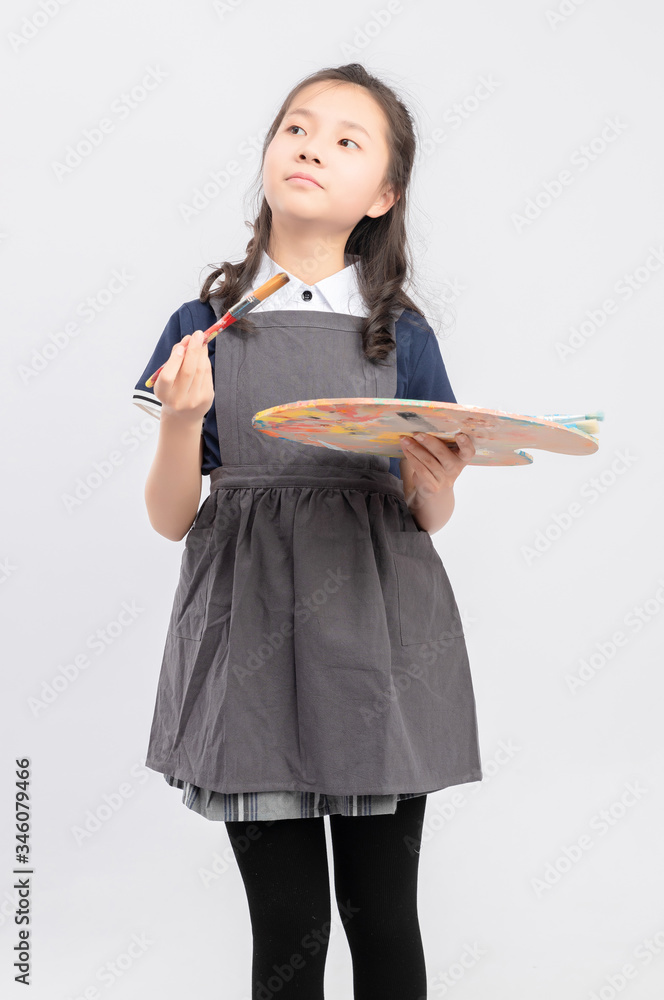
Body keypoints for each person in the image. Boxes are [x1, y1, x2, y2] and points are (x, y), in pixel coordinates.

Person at [132, 62, 482, 1000]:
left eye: (345, 140)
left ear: (384, 196)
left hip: (378, 638)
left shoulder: (400, 334)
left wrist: (433, 479)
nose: (312, 148)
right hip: (251, 642)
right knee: (287, 929)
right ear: (268, 154)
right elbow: (171, 518)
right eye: (297, 128)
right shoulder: (201, 326)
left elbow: (429, 511)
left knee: (385, 916)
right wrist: (177, 421)